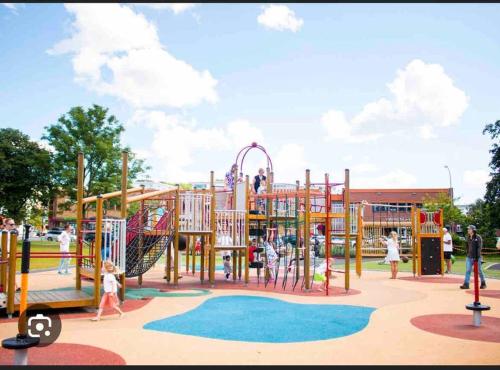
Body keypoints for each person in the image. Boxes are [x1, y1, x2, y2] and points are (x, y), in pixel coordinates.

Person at [460, 225, 486, 289]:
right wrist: (467, 253)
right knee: (468, 270)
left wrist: (477, 257)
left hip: (477, 257)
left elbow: (479, 248)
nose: (468, 230)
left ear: (473, 230)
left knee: (479, 270)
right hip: (469, 257)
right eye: (468, 229)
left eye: (469, 229)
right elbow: (467, 246)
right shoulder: (468, 237)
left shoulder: (478, 237)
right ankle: (466, 284)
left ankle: (483, 283)